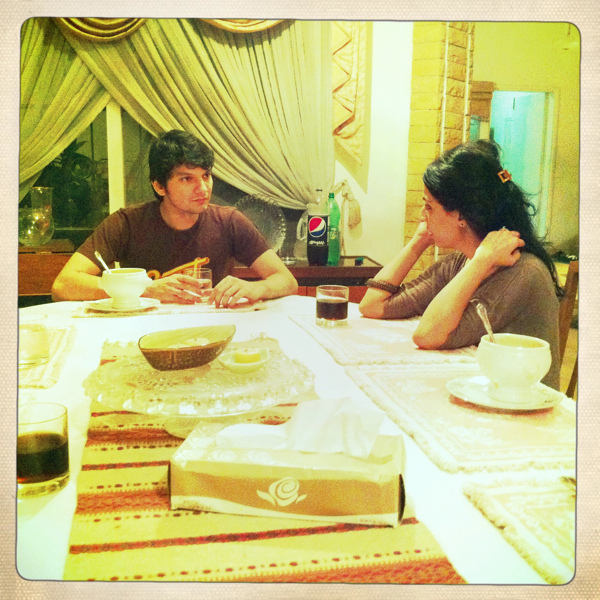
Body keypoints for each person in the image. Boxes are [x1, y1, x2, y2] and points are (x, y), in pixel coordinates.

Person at [359, 140, 563, 389]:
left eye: (428, 206)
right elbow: (373, 305)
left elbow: (427, 335)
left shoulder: (522, 272)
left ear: (461, 215)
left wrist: (481, 261)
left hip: (522, 403)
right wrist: (417, 243)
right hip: (482, 389)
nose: (422, 215)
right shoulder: (461, 261)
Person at [52, 130, 297, 307]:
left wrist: (256, 288)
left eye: (206, 176)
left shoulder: (229, 221)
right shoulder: (126, 223)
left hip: (210, 330)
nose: (203, 188)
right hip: (143, 333)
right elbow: (63, 286)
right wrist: (144, 289)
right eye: (187, 178)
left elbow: (286, 280)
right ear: (159, 186)